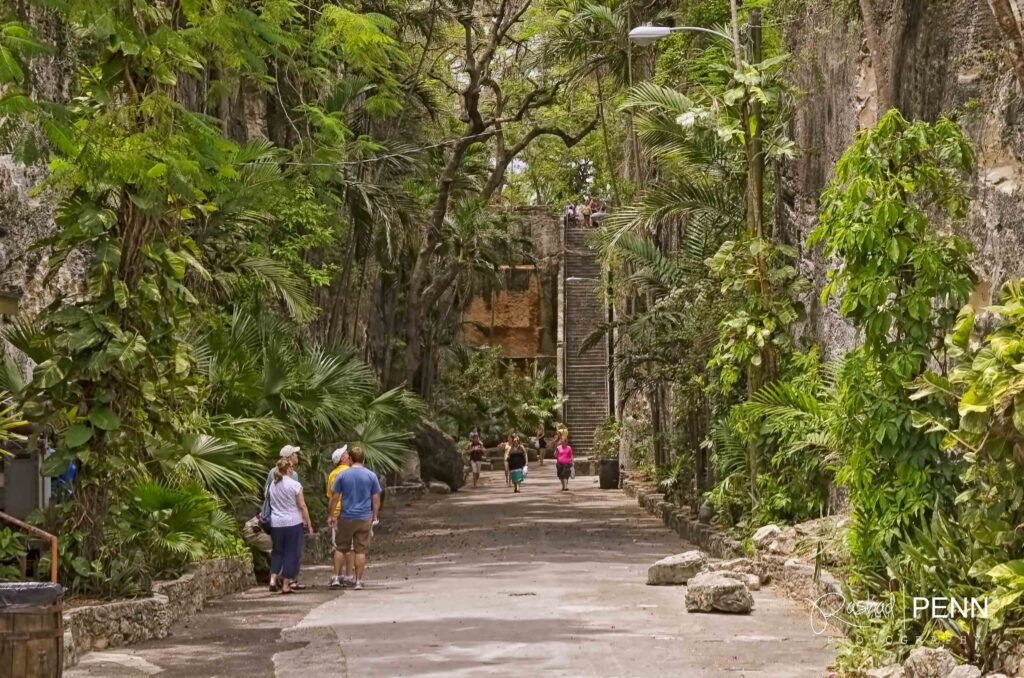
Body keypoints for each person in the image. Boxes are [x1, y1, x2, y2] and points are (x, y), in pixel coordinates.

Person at [327, 447, 381, 590]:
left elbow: (334, 498)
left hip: (346, 516)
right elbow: (376, 498)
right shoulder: (371, 476)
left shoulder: (342, 475)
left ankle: (337, 578)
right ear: (363, 459)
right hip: (364, 517)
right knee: (360, 550)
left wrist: (331, 515)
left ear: (350, 459)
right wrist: (375, 514)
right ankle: (357, 581)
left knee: (340, 548)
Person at [268, 458, 313, 594]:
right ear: (288, 469)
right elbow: (302, 505)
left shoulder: (273, 485)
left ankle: (272, 579)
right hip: (293, 522)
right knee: (290, 553)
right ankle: (286, 584)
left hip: (276, 523)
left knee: (277, 552)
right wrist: (308, 522)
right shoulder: (295, 485)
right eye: (292, 467)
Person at [326, 446, 354, 589]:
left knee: (338, 546)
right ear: (342, 458)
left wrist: (330, 514)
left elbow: (331, 498)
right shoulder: (352, 472)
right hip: (350, 512)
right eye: (347, 454)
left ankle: (336, 575)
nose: (349, 455)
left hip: (336, 513)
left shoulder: (332, 475)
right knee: (350, 546)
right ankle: (348, 575)